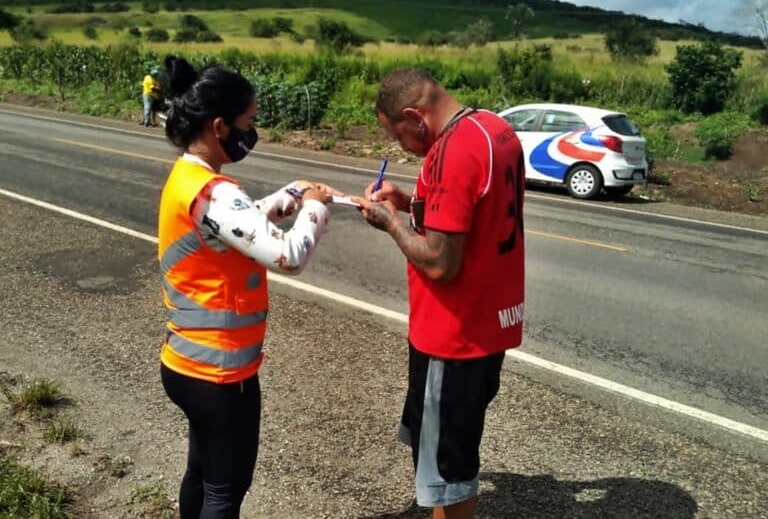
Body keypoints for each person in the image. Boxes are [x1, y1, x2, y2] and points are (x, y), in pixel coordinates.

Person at [157, 55, 334, 518]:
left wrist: (285, 197)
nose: (252, 133)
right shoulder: (215, 192)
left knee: (201, 473)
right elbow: (288, 255)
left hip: (186, 362)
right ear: (219, 126)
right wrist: (314, 208)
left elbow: (228, 227)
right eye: (249, 123)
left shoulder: (190, 177)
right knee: (225, 490)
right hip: (220, 373)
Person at [354, 68, 526, 519]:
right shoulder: (494, 128)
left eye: (399, 136)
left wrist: (389, 222)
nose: (402, 147)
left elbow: (439, 262)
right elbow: (472, 214)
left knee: (448, 474)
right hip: (488, 323)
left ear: (415, 116)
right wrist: (408, 201)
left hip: (453, 335)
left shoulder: (452, 151)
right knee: (450, 450)